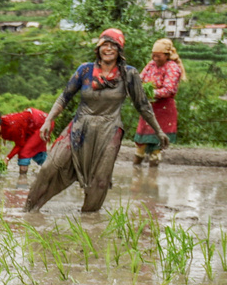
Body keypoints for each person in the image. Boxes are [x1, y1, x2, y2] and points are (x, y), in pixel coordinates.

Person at [26, 28, 168, 213]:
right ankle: (29, 210)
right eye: (104, 45)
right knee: (49, 167)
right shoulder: (85, 70)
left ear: (119, 50)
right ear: (98, 49)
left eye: (113, 46)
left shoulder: (128, 74)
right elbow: (64, 97)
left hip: (109, 129)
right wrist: (48, 120)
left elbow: (142, 105)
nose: (108, 49)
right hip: (79, 127)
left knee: (100, 181)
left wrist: (158, 131)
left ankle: (88, 220)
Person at [133, 38, 185, 167]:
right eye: (153, 55)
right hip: (149, 108)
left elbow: (169, 89)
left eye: (158, 56)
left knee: (156, 144)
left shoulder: (172, 67)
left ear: (167, 55)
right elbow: (140, 78)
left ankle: (152, 176)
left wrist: (151, 93)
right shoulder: (151, 64)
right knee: (141, 144)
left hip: (164, 109)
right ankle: (136, 173)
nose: (155, 58)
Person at [0, 108, 48, 176]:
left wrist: (7, 159)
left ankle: (23, 180)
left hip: (41, 122)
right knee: (33, 150)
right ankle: (49, 168)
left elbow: (20, 144)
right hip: (28, 124)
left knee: (25, 152)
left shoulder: (13, 127)